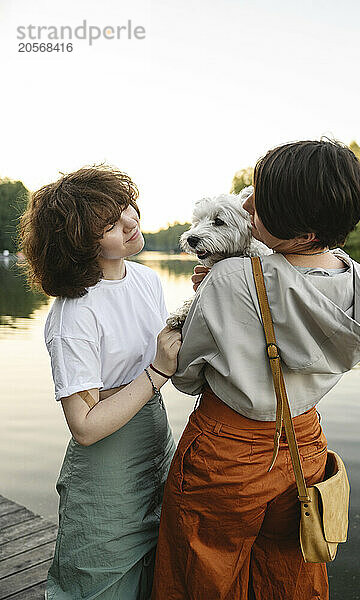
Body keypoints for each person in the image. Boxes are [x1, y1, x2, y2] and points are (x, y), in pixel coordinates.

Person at [151, 140, 360, 600]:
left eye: (260, 198)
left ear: (293, 224)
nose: (249, 204)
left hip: (227, 451)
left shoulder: (230, 278)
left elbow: (187, 374)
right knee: (289, 574)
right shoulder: (354, 275)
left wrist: (219, 288)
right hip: (304, 443)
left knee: (204, 574)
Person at [19, 166, 181, 600]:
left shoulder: (145, 279)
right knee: (98, 583)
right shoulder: (75, 313)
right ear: (77, 245)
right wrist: (158, 372)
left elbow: (141, 375)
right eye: (109, 225)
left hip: (156, 438)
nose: (129, 222)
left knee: (155, 571)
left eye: (123, 208)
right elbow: (86, 427)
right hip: (106, 464)